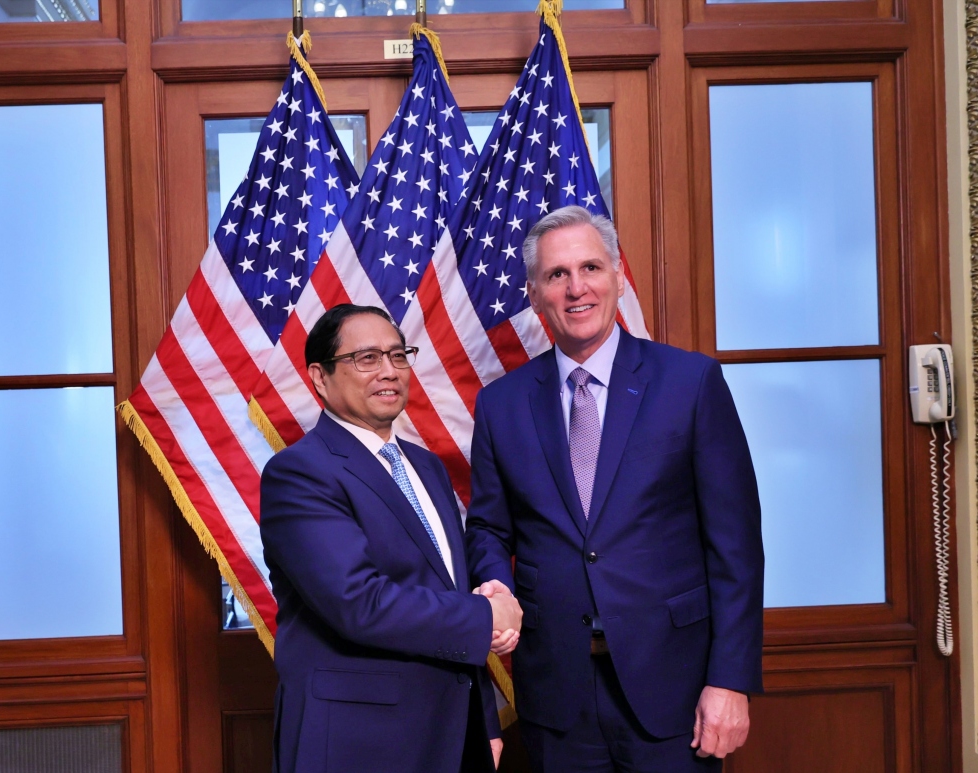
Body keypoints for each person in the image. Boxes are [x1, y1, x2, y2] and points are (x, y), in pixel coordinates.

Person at [465, 206, 764, 772]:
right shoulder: (501, 404)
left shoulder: (690, 383)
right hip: (557, 694)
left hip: (676, 689)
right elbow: (487, 526)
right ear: (534, 294)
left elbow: (736, 548)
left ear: (618, 278)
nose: (576, 288)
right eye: (557, 274)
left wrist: (730, 679)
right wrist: (496, 583)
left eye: (591, 268)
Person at [260, 304, 522, 773]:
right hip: (358, 741)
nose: (389, 371)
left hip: (452, 734)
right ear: (320, 377)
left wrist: (484, 720)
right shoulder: (299, 473)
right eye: (367, 358)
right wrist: (486, 616)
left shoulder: (427, 467)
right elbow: (358, 602)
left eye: (398, 355)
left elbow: (449, 590)